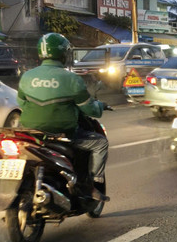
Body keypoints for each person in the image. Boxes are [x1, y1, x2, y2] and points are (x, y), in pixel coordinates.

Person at [17, 33, 109, 201]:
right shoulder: (71, 79)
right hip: (63, 134)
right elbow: (90, 110)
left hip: (32, 133)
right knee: (100, 143)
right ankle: (92, 184)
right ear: (63, 54)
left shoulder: (27, 76)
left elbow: (22, 104)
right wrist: (100, 106)